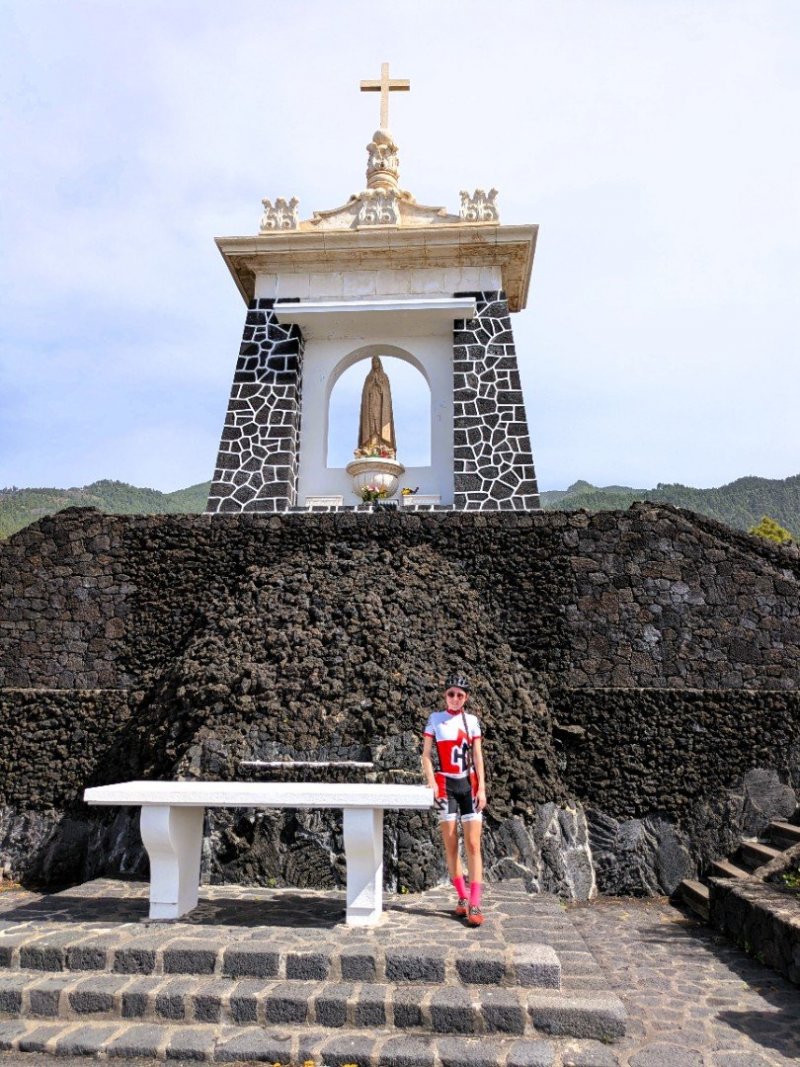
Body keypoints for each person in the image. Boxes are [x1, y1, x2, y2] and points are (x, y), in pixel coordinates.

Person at [422, 672, 487, 926]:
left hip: (468, 784)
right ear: (445, 695)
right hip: (444, 785)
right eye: (451, 694)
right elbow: (426, 755)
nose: (455, 698)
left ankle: (475, 903)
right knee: (451, 846)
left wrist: (482, 788)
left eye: (460, 695)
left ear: (465, 698)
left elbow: (478, 756)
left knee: (473, 845)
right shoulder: (435, 720)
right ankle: (462, 897)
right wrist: (430, 781)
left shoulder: (472, 721)